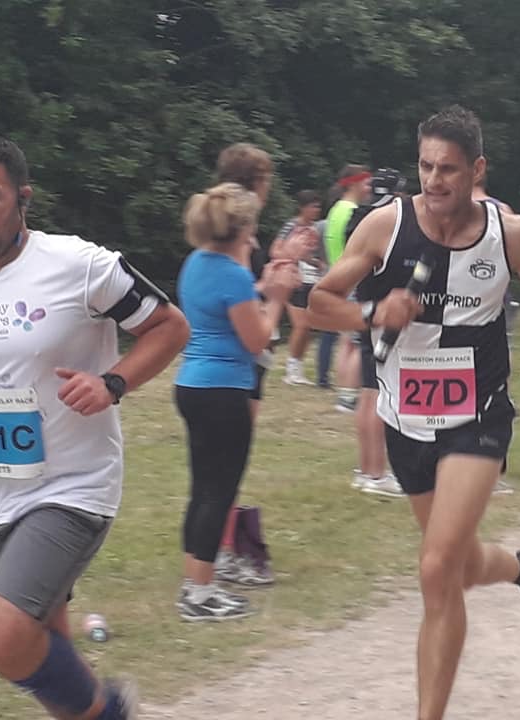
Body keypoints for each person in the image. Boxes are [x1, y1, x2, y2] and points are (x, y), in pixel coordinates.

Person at [309, 106, 520, 720]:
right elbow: (319, 302)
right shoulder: (385, 226)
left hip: (478, 416)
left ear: (476, 169)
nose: (433, 180)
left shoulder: (509, 234)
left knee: (435, 570)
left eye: (448, 169)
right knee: (459, 564)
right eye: (425, 166)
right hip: (405, 419)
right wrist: (373, 314)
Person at [0, 135, 189, 718]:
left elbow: (170, 326)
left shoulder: (78, 265)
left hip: (67, 488)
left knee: (2, 636)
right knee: (42, 641)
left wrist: (112, 383)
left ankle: (110, 712)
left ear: (23, 200)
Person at [173, 183, 298, 621]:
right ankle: (201, 594)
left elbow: (225, 310)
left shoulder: (196, 263)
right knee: (220, 492)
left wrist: (261, 287)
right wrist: (277, 298)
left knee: (202, 488)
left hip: (192, 384)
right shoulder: (233, 275)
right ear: (242, 228)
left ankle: (194, 581)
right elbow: (256, 339)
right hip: (224, 390)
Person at [212, 142, 281, 587]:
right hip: (238, 361)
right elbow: (240, 297)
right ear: (257, 183)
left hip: (233, 361)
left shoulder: (223, 225)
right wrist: (276, 292)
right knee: (227, 464)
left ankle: (222, 547)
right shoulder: (238, 234)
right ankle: (223, 550)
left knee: (223, 464)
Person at [347, 168, 407, 498]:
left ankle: (365, 469)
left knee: (368, 392)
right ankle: (376, 473)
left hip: (363, 307)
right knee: (378, 394)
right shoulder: (389, 221)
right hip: (383, 313)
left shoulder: (360, 215)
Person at [319, 165, 372, 410]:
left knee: (346, 341)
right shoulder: (352, 212)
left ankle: (344, 392)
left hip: (336, 280)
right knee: (359, 342)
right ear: (354, 184)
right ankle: (349, 396)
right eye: (366, 183)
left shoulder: (335, 211)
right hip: (353, 283)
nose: (370, 188)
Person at [279, 191, 324, 386]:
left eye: (318, 206)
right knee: (301, 325)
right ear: (302, 207)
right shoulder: (292, 226)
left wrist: (315, 262)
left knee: (308, 327)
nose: (316, 210)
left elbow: (312, 254)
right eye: (313, 206)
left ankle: (297, 367)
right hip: (294, 280)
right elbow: (278, 249)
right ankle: (291, 369)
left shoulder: (315, 228)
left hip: (311, 280)